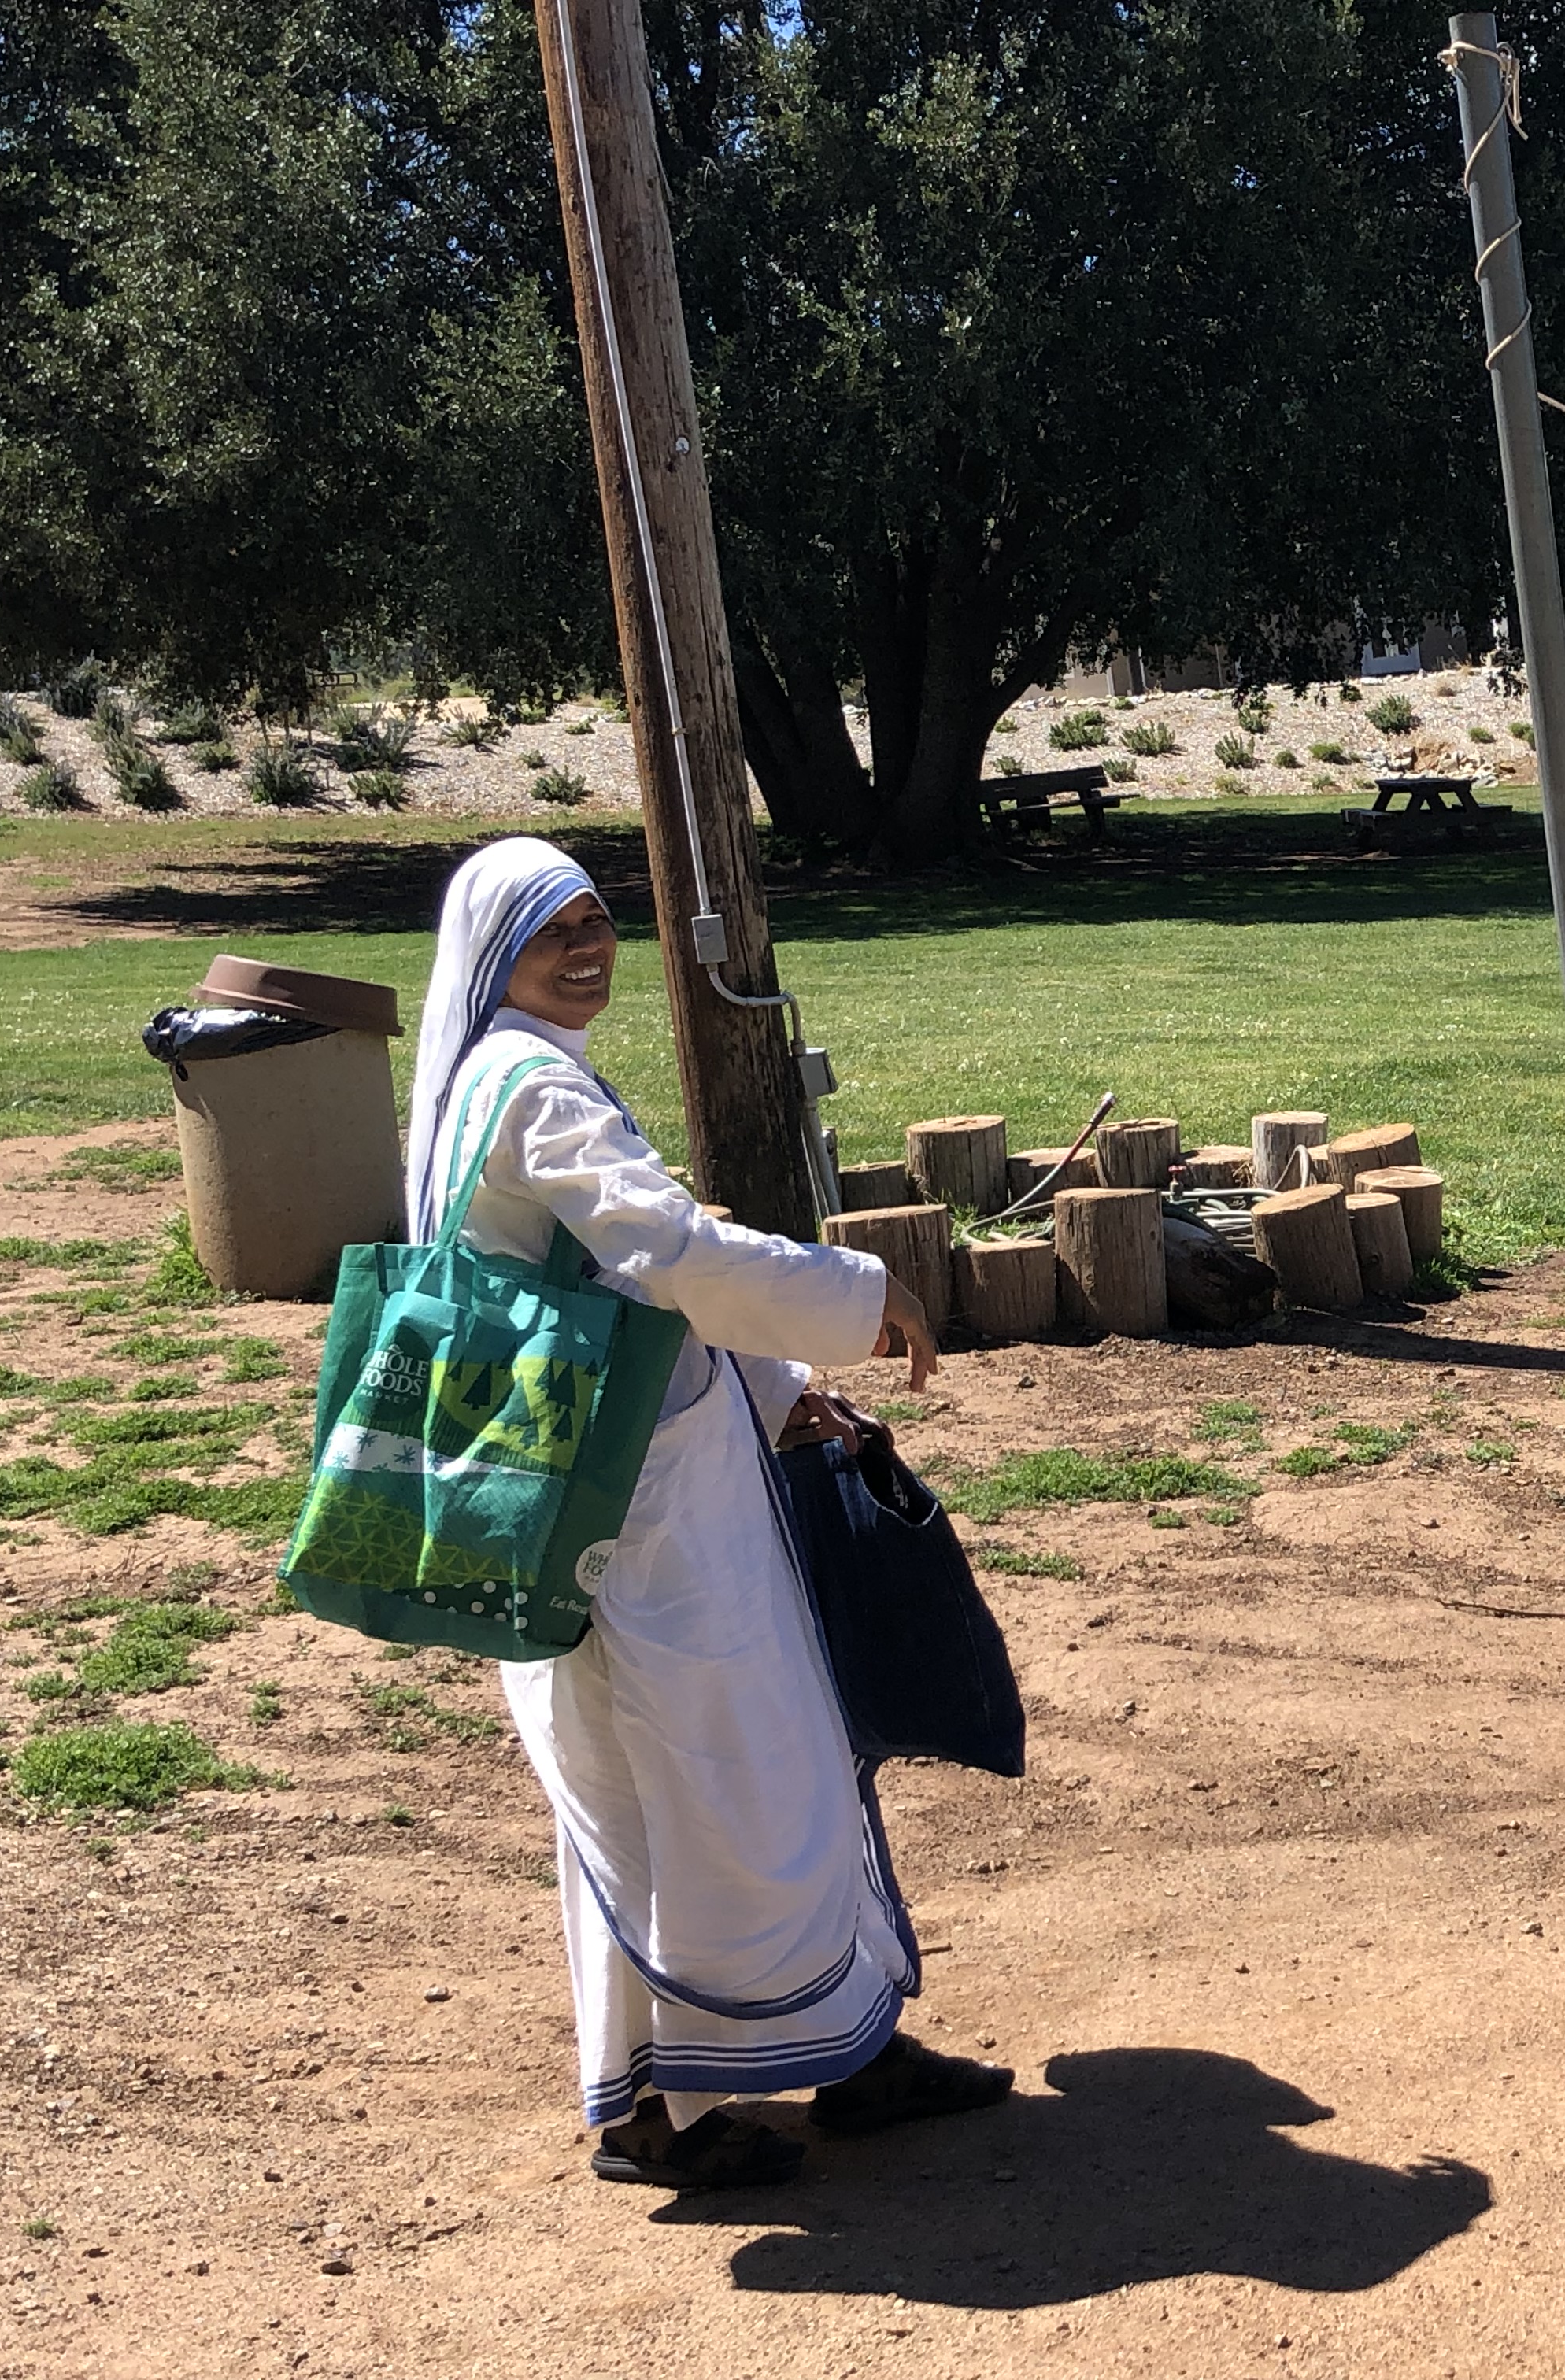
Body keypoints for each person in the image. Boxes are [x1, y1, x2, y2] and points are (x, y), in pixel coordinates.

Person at [410, 837, 1008, 2187]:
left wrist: (781, 1381)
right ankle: (683, 2099)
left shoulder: (499, 1078)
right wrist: (859, 1296)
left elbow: (628, 1279)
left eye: (596, 920)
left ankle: (821, 2059)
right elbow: (669, 1254)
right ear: (492, 952)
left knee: (682, 1787)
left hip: (618, 1497)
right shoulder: (532, 1088)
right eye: (548, 928)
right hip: (638, 1526)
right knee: (722, 1781)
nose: (586, 946)